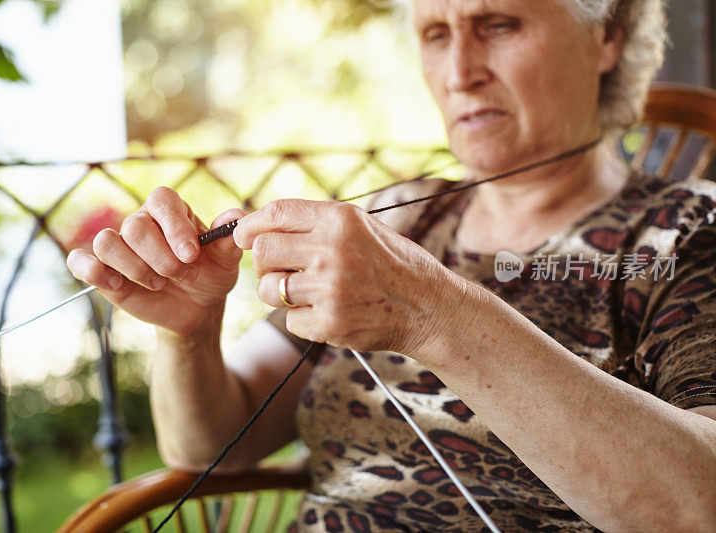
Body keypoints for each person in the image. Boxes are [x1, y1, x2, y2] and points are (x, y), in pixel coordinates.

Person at [67, 0, 716, 530]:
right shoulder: (399, 219)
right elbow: (211, 445)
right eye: (435, 34)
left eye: (498, 25)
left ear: (606, 35)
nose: (460, 71)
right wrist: (190, 331)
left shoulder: (686, 233)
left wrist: (433, 312)